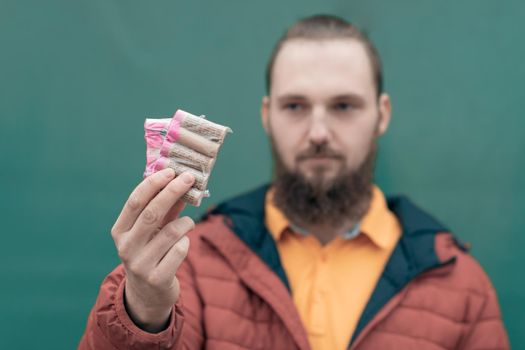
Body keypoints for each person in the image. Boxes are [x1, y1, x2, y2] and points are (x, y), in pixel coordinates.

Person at [79, 15, 509, 350]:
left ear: (382, 114)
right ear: (268, 115)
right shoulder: (191, 264)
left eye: (343, 106)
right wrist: (143, 310)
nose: (318, 131)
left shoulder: (460, 287)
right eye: (296, 106)